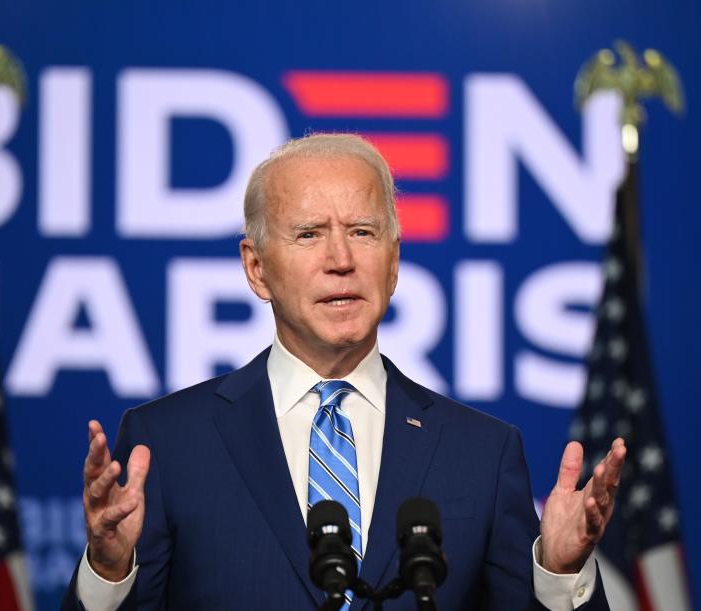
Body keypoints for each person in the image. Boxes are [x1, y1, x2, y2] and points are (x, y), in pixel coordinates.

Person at [62, 134, 626, 610]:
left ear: (395, 261)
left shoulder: (482, 453)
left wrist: (556, 574)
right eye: (309, 234)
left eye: (362, 231)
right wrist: (110, 573)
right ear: (256, 269)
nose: (341, 259)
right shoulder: (168, 443)